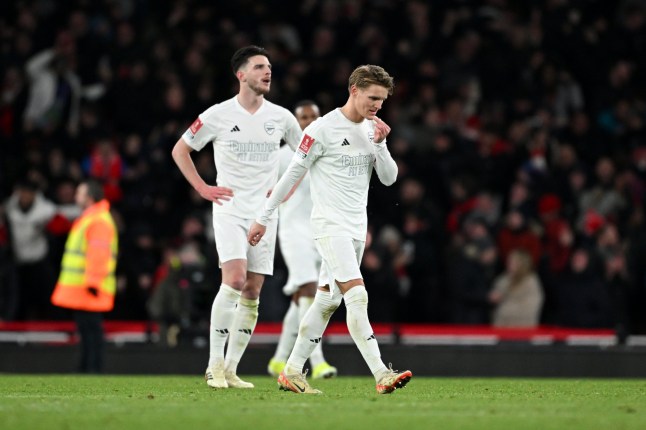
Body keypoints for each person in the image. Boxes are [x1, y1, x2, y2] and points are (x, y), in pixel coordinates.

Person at [248, 65, 412, 394]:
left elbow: (390, 178)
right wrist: (263, 218)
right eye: (372, 97)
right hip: (328, 227)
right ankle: (381, 373)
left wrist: (381, 145)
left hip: (355, 229)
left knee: (324, 302)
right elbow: (290, 176)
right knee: (357, 294)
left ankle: (292, 371)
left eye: (382, 99)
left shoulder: (372, 129)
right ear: (353, 90)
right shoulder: (322, 130)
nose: (377, 105)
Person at [171, 45, 302, 389]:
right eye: (259, 67)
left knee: (253, 289)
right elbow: (180, 149)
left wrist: (285, 191)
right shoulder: (218, 114)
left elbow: (306, 156)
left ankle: (231, 368)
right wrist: (202, 187)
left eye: (269, 67)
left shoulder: (282, 117)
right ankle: (213, 365)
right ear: (241, 74)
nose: (267, 72)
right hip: (229, 209)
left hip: (264, 213)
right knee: (234, 278)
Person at [267, 100, 337, 380]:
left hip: (320, 230)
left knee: (305, 297)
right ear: (295, 123)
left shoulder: (327, 152)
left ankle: (278, 359)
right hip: (292, 231)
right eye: (303, 118)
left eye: (313, 116)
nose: (308, 121)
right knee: (310, 289)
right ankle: (316, 362)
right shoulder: (283, 156)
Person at [50, 180, 118, 373]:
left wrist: (93, 283)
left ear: (89, 198)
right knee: (88, 330)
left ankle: (92, 369)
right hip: (85, 286)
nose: (75, 197)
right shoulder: (93, 218)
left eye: (79, 194)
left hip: (89, 286)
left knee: (92, 331)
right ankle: (88, 368)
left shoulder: (97, 220)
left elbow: (99, 254)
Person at [488, 249, 544, 327]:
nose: (509, 264)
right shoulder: (502, 280)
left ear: (522, 264)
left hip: (522, 328)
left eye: (513, 262)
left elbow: (532, 306)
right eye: (509, 261)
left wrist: (504, 309)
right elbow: (495, 299)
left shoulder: (531, 281)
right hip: (501, 327)